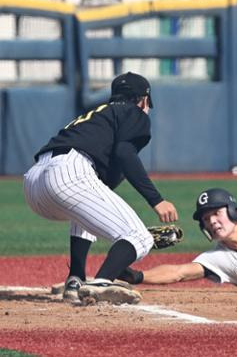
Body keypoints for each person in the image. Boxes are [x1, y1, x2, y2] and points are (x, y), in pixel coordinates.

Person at [23, 72, 179, 305]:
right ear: (144, 100)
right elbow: (125, 154)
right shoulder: (133, 112)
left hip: (34, 183)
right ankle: (102, 282)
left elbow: (103, 181)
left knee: (84, 212)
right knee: (139, 237)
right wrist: (156, 200)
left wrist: (116, 238)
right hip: (70, 171)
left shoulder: (97, 116)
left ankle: (75, 279)